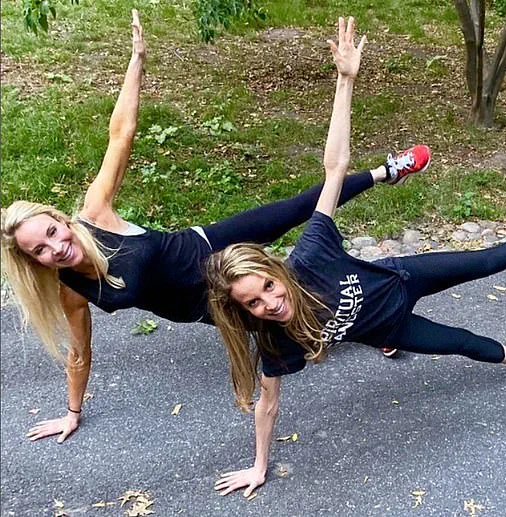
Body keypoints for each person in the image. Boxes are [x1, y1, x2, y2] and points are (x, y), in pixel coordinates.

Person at [207, 16, 506, 497]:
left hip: (402, 278)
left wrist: (345, 81)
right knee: (464, 344)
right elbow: (267, 405)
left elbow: (335, 168)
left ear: (275, 271)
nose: (269, 302)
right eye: (254, 303)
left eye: (267, 287)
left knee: (491, 259)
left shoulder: (312, 255)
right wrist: (259, 467)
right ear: (244, 311)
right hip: (389, 328)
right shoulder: (275, 341)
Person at [0, 11, 430, 444]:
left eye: (52, 232)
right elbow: (79, 352)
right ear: (34, 262)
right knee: (297, 312)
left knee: (299, 207)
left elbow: (121, 134)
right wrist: (72, 413)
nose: (56, 247)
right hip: (210, 303)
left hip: (211, 242)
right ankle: (378, 324)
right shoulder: (72, 289)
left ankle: (385, 172)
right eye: (40, 250)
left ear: (60, 219)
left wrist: (137, 62)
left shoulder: (95, 215)